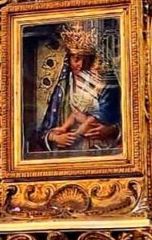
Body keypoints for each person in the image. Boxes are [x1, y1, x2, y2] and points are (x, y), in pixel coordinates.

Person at [34, 22, 122, 152]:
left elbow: (119, 116)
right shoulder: (62, 86)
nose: (81, 65)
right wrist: (54, 137)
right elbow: (43, 130)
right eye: (76, 59)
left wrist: (112, 130)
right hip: (68, 152)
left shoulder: (103, 83)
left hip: (101, 149)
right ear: (68, 59)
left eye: (86, 60)